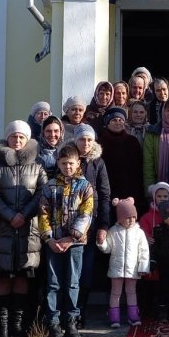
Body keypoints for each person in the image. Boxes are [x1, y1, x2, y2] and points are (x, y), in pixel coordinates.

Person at [0, 120, 45, 337]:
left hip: (28, 230)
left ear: (27, 139)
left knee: (22, 276)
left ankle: (18, 327)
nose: (17, 141)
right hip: (2, 229)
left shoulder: (37, 164)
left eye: (21, 137)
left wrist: (25, 214)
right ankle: (1, 330)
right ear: (7, 138)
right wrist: (10, 215)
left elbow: (42, 192)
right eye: (13, 137)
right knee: (2, 277)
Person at [39, 143, 95, 337]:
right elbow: (43, 213)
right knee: (53, 283)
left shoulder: (85, 186)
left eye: (71, 163)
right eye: (63, 164)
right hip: (53, 243)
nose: (67, 167)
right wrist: (49, 238)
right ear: (58, 163)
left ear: (77, 163)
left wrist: (71, 238)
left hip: (75, 243)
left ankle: (71, 319)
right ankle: (53, 322)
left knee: (72, 282)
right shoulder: (50, 186)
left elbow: (86, 214)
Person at [71, 123, 112, 312]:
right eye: (82, 139)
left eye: (89, 139)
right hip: (68, 221)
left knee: (86, 268)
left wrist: (104, 225)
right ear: (76, 140)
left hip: (91, 223)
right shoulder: (68, 159)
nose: (85, 143)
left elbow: (104, 194)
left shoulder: (99, 162)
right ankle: (69, 310)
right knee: (71, 269)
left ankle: (81, 310)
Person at [98, 197, 151, 327]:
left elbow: (144, 251)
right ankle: (114, 317)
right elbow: (107, 249)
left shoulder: (139, 233)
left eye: (134, 217)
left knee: (131, 292)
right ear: (120, 218)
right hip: (116, 269)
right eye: (128, 217)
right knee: (115, 293)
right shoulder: (113, 231)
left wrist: (143, 267)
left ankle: (133, 316)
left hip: (132, 269)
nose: (131, 220)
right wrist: (101, 243)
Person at [142, 98, 169, 189]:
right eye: (168, 110)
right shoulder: (152, 133)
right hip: (159, 189)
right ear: (162, 112)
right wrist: (150, 190)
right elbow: (148, 165)